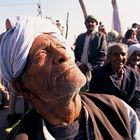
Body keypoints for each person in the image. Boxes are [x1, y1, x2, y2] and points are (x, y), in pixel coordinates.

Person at [0, 16, 140, 140]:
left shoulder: (121, 112)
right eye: (42, 53)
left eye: (61, 45)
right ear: (21, 87)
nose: (65, 55)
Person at [89, 43, 140, 121]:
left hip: (129, 118)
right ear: (109, 56)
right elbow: (94, 99)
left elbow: (137, 100)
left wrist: (133, 118)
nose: (120, 58)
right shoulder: (99, 74)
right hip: (106, 119)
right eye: (116, 54)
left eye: (123, 54)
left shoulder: (134, 75)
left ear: (127, 56)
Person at [74, 15, 107, 90]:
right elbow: (75, 53)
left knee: (93, 90)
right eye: (88, 22)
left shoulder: (100, 36)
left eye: (92, 22)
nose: (90, 23)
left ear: (96, 24)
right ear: (85, 24)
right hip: (79, 68)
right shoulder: (80, 37)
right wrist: (79, 64)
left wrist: (88, 66)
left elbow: (103, 54)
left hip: (94, 70)